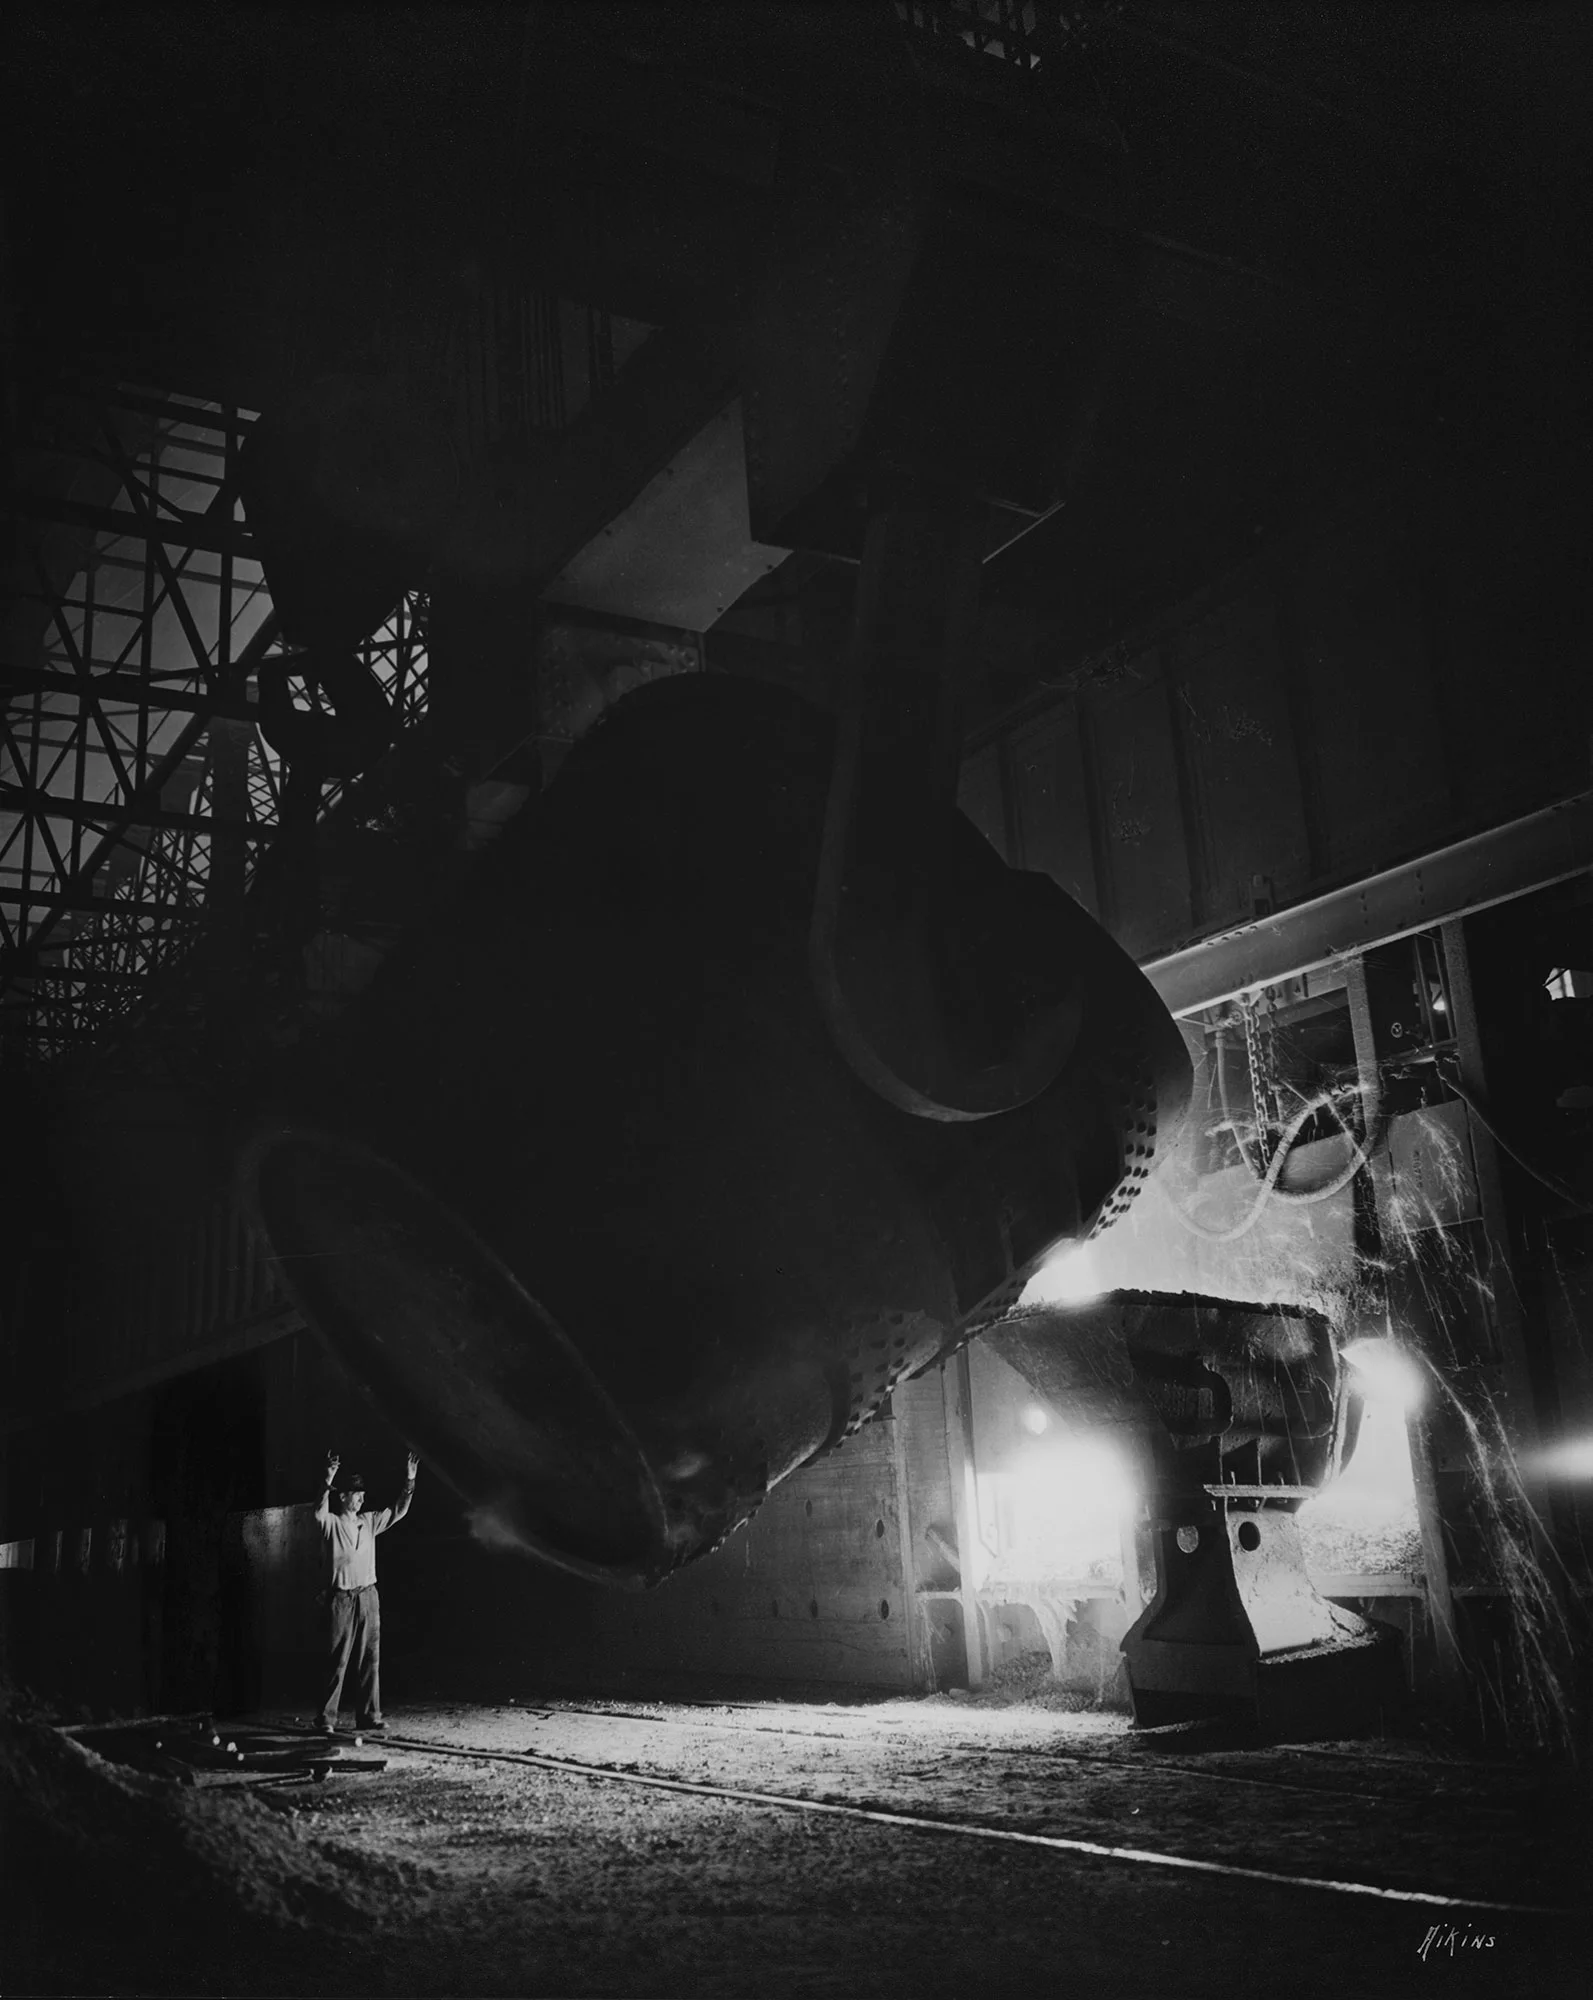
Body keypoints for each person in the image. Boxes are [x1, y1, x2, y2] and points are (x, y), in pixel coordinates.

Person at [314, 1448, 419, 1735]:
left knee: (370, 1658)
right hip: (341, 1599)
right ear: (343, 1497)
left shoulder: (369, 1521)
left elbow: (398, 1510)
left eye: (362, 1494)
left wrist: (409, 1481)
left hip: (368, 1596)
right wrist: (327, 1480)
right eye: (356, 1494)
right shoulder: (331, 1523)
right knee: (336, 1660)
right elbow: (318, 1511)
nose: (362, 1498)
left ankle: (370, 1716)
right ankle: (326, 1719)